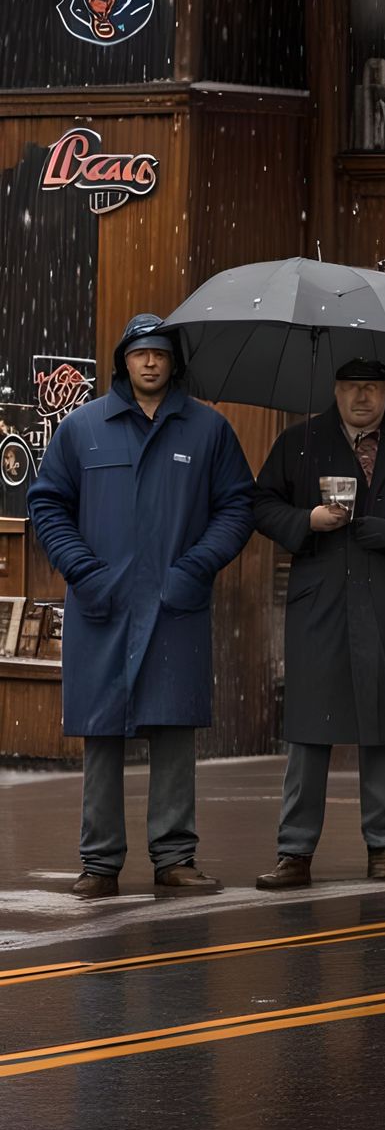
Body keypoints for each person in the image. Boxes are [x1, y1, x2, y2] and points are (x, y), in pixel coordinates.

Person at [28, 314, 254, 900]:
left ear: (173, 362)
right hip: (103, 603)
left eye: (160, 352)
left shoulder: (208, 430)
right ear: (122, 361)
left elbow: (236, 508)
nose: (150, 361)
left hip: (175, 601)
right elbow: (47, 504)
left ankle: (175, 857)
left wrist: (194, 568)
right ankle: (99, 862)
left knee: (174, 729)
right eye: (139, 352)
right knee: (101, 734)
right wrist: (84, 572)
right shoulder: (83, 429)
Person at [253, 359, 385, 888]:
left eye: (371, 387)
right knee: (308, 728)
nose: (362, 397)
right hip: (319, 600)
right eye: (351, 387)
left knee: (383, 726)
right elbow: (260, 504)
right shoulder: (300, 441)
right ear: (336, 389)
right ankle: (294, 852)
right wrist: (307, 521)